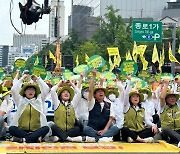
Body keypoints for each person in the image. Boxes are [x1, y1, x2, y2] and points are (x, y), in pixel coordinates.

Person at [9, 74, 49, 143]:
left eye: (33, 90)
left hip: (36, 130)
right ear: (24, 92)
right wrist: (22, 78)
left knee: (46, 128)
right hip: (22, 130)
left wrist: (38, 79)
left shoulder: (39, 100)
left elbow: (46, 89)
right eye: (28, 89)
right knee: (11, 129)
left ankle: (24, 139)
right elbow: (13, 89)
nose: (31, 91)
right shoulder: (20, 100)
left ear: (35, 92)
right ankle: (33, 138)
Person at [83, 70, 119, 142]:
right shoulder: (92, 102)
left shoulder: (109, 104)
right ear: (95, 94)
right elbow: (90, 90)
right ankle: (102, 138)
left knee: (116, 128)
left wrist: (105, 130)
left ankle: (96, 138)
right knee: (85, 129)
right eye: (98, 92)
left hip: (104, 128)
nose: (101, 93)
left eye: (102, 91)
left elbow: (111, 118)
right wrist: (94, 76)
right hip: (93, 128)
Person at [121, 76, 158, 143]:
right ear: (130, 98)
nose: (136, 98)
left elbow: (147, 121)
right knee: (124, 129)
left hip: (139, 131)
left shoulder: (142, 109)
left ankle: (134, 139)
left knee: (152, 130)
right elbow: (126, 95)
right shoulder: (126, 107)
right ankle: (141, 140)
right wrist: (129, 81)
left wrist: (153, 125)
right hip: (130, 130)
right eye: (133, 96)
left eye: (137, 96)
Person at [160, 79, 180, 148]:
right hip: (168, 132)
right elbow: (162, 97)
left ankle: (177, 140)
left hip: (178, 130)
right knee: (165, 129)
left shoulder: (178, 105)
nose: (172, 99)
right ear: (166, 99)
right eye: (170, 97)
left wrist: (179, 83)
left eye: (173, 97)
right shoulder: (163, 107)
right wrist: (166, 84)